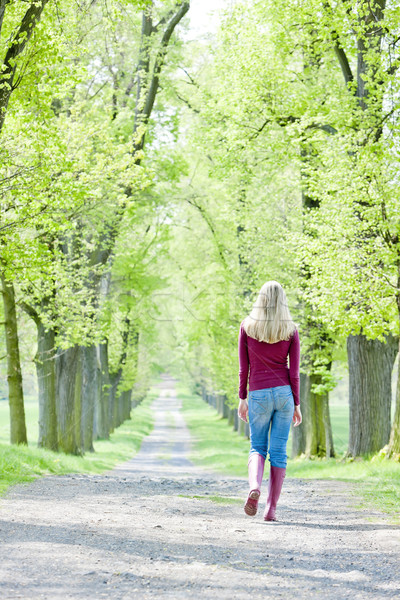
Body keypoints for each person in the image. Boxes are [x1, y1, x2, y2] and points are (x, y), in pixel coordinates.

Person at [238, 280, 302, 521]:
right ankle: (271, 509)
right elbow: (294, 372)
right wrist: (296, 404)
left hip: (258, 393)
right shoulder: (291, 330)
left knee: (257, 447)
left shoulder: (247, 326)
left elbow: (243, 369)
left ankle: (254, 486)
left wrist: (242, 398)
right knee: (279, 451)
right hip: (284, 394)